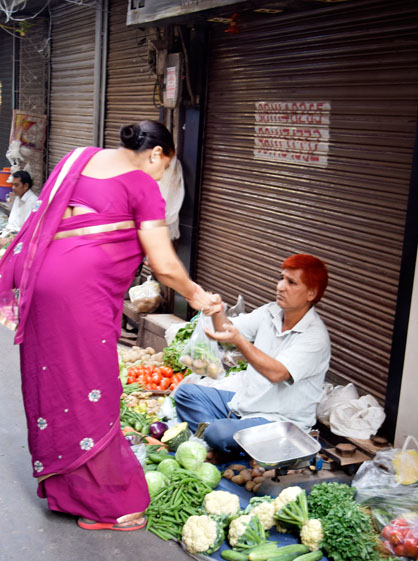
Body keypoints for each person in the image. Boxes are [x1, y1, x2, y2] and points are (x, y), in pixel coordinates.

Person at [0, 120, 219, 531]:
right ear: (156, 154)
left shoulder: (77, 158)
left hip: (44, 282)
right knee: (91, 389)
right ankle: (103, 505)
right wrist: (196, 294)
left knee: (57, 382)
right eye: (165, 168)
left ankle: (64, 489)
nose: (161, 177)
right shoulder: (142, 185)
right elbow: (164, 264)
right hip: (81, 295)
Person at [174, 254, 331, 455]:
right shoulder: (270, 312)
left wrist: (240, 341)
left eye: (291, 282)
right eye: (281, 278)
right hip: (245, 405)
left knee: (218, 432)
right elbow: (226, 330)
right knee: (187, 393)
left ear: (311, 293)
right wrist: (216, 312)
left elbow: (277, 373)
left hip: (280, 422)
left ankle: (221, 437)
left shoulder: (315, 336)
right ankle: (229, 439)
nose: (280, 286)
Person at [0, 170, 38, 246]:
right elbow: (12, 224)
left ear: (26, 186)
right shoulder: (18, 197)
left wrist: (10, 239)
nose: (13, 188)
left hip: (19, 240)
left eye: (16, 185)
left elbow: (28, 230)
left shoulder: (33, 201)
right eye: (13, 185)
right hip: (9, 234)